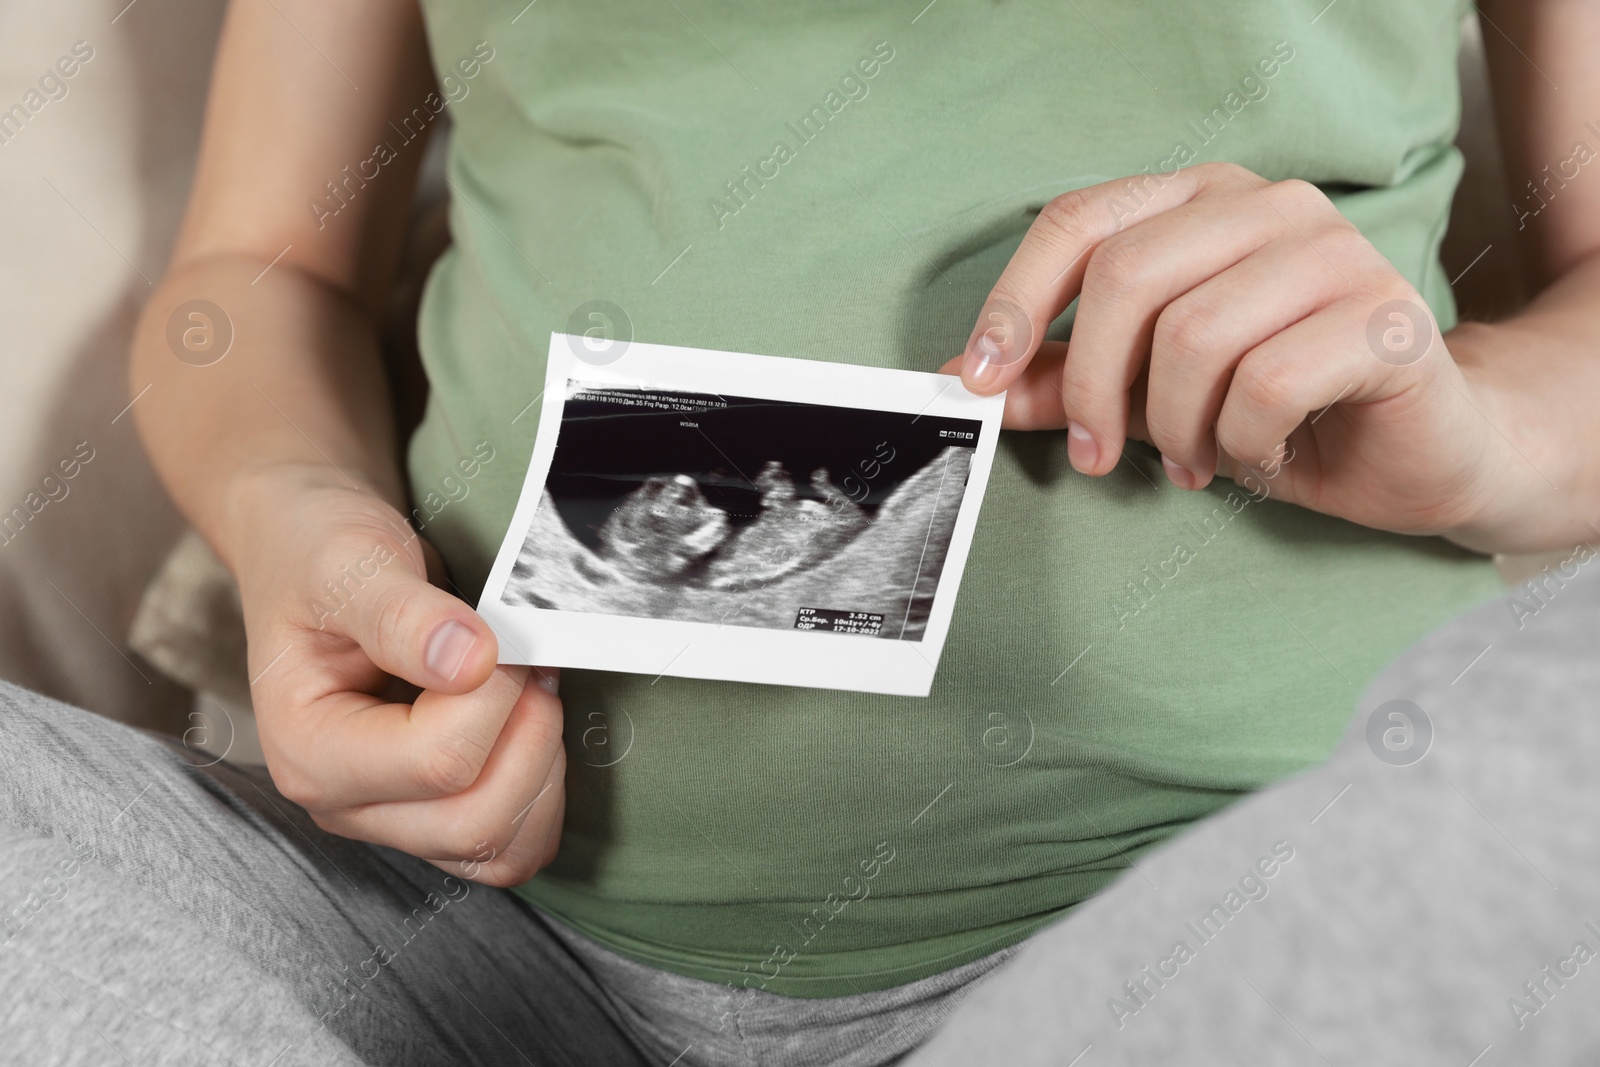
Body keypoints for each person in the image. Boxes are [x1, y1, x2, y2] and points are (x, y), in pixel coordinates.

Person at [3, 0, 1597, 1062]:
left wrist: (1482, 427)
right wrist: (305, 538)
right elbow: (259, 274)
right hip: (469, 958)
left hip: (1205, 927)